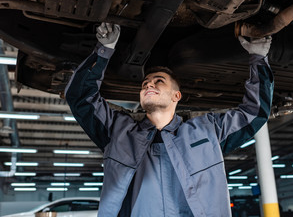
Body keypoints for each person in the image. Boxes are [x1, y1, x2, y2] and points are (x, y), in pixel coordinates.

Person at [65, 22, 273, 217]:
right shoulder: (117, 132)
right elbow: (81, 97)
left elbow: (253, 113)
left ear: (176, 96)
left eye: (158, 81)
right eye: (145, 83)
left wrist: (258, 58)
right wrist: (104, 50)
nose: (148, 85)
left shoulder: (207, 132)